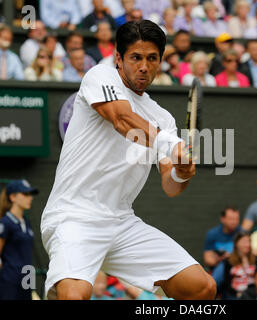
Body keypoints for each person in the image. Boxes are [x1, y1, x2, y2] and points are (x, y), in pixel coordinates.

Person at [40, 20, 216, 300]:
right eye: (136, 57)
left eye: (152, 58)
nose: (144, 66)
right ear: (119, 58)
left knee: (201, 288)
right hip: (74, 216)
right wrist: (173, 145)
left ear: (160, 61)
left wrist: (182, 171)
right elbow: (123, 120)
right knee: (74, 296)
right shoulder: (100, 76)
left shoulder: (163, 119)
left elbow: (170, 186)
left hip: (122, 222)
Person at [0, 180, 39, 300]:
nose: (30, 198)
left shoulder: (26, 222)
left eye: (30, 194)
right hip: (10, 281)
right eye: (25, 194)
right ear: (13, 197)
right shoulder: (5, 223)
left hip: (28, 279)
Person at [212, 232, 257, 299]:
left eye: (249, 241)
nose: (247, 245)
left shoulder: (256, 259)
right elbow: (227, 283)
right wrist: (236, 293)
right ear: (236, 243)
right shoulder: (228, 261)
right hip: (234, 295)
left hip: (252, 294)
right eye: (244, 242)